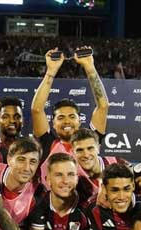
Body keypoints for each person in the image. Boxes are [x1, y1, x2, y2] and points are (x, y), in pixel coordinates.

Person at [31, 46, 108, 180]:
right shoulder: (48, 144)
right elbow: (37, 110)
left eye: (72, 117)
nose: (67, 121)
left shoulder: (90, 140)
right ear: (53, 123)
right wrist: (51, 71)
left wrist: (89, 67)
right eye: (61, 117)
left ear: (80, 121)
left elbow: (103, 106)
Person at [70, 128, 129, 206]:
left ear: (98, 148)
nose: (86, 155)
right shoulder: (73, 178)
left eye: (90, 148)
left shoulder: (117, 163)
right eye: (80, 150)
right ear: (72, 152)